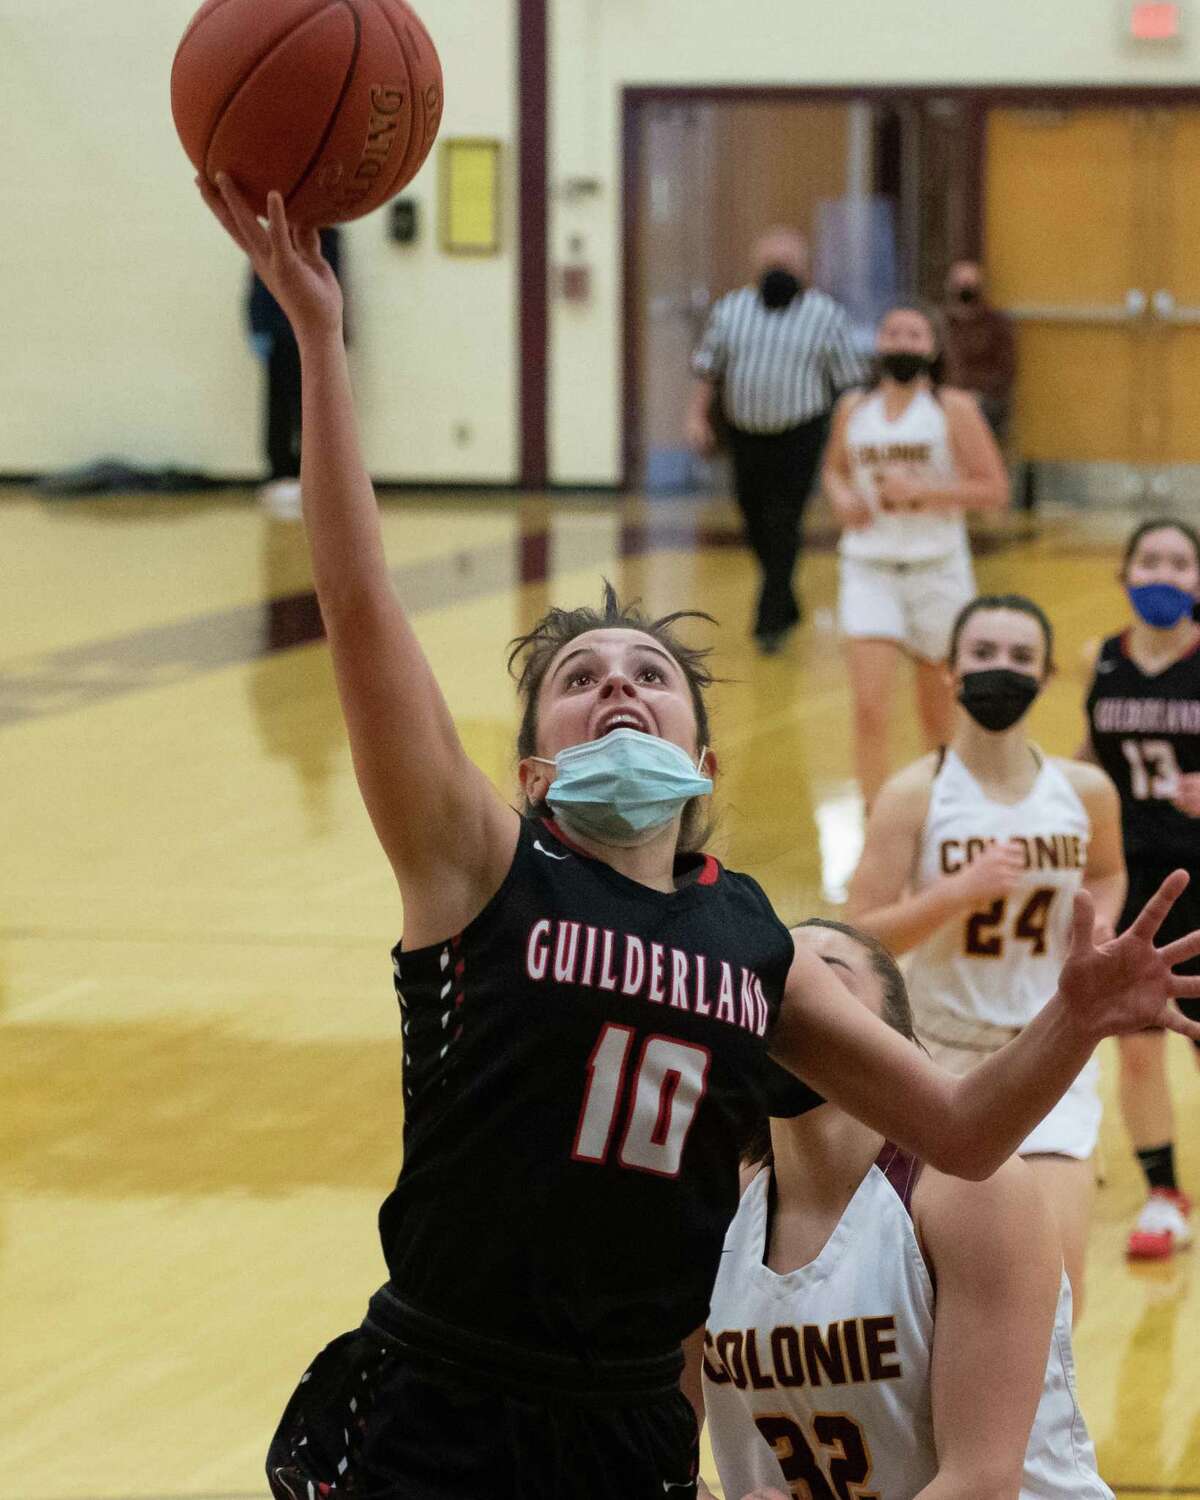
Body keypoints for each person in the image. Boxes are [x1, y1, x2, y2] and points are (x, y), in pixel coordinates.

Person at [197, 175, 1200, 1500]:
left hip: (630, 1426)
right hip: (448, 1391)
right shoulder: (476, 865)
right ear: (535, 764)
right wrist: (322, 344)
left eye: (648, 675)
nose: (618, 681)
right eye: (582, 675)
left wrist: (1072, 1019)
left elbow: (958, 1130)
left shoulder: (752, 942)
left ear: (702, 761)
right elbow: (356, 592)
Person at [693, 920, 1112, 1500]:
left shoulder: (966, 1192)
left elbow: (981, 1484)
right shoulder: (707, 1202)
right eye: (772, 984)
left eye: (827, 980)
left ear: (894, 1037)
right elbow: (660, 1451)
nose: (788, 1007)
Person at [847, 593, 1126, 1316]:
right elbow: (861, 939)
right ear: (950, 671)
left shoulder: (1086, 791)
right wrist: (957, 893)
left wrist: (1091, 939)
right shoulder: (913, 796)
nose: (1001, 669)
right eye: (984, 654)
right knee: (935, 1298)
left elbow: (1107, 870)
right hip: (940, 1067)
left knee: (1059, 1296)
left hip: (1049, 1059)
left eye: (1020, 657)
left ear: (1046, 673)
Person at [820, 303, 1009, 810]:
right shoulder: (853, 408)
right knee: (869, 708)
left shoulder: (953, 408)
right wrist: (840, 496)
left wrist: (926, 494)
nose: (902, 342)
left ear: (932, 347)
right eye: (892, 331)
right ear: (879, 344)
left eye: (914, 333)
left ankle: (944, 813)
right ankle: (875, 822)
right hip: (869, 566)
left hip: (937, 571)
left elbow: (993, 489)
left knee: (937, 716)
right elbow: (835, 470)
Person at [1081, 518, 1200, 1260]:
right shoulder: (1104, 659)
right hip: (1133, 881)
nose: (1162, 572)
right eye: (1149, 559)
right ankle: (1163, 1190)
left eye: (1179, 562)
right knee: (1137, 1043)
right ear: (1125, 573)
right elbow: (1090, 755)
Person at [686, 228, 867, 655]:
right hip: (744, 433)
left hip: (800, 432)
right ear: (755, 269)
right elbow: (708, 369)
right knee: (753, 520)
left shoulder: (826, 315)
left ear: (805, 270)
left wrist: (849, 443)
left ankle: (769, 621)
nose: (778, 274)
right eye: (771, 266)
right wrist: (695, 417)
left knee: (784, 521)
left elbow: (849, 384)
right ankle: (786, 598)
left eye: (787, 266)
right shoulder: (730, 310)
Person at [249, 224, 344, 519]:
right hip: (280, 332)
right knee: (279, 406)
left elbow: (337, 285)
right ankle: (279, 471)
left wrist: (339, 332)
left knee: (314, 409)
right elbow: (258, 284)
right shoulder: (272, 235)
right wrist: (257, 326)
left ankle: (314, 473)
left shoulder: (328, 235)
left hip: (312, 335)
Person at [942, 259, 1017, 446]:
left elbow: (1006, 369)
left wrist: (976, 392)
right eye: (960, 283)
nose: (965, 288)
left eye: (970, 283)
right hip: (944, 398)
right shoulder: (941, 323)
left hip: (984, 400)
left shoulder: (995, 324)